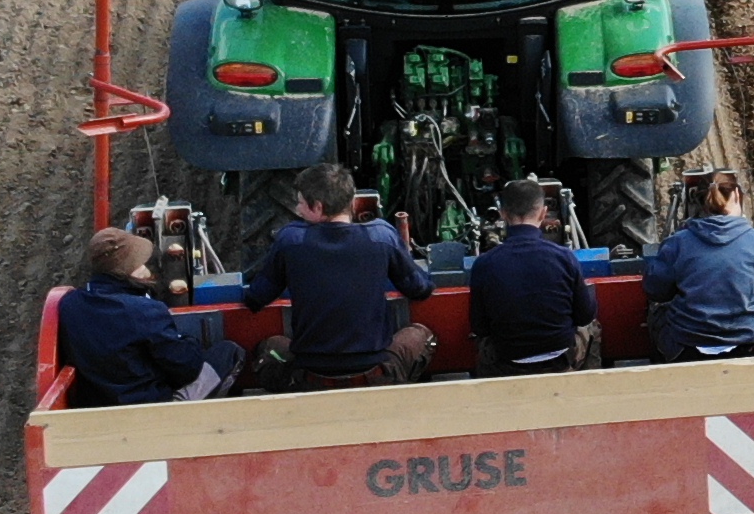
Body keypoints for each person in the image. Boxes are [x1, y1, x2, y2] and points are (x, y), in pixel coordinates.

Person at [236, 163, 437, 389]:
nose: (298, 208)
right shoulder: (382, 235)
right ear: (351, 202)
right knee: (420, 335)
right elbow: (420, 290)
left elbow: (256, 298)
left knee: (270, 347)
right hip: (375, 371)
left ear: (318, 207)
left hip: (311, 374)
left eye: (301, 202)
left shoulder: (291, 240)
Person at [55, 226, 241, 407]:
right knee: (229, 352)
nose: (145, 267)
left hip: (98, 407)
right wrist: (188, 342)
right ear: (127, 271)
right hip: (151, 410)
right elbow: (188, 369)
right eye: (139, 263)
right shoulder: (145, 311)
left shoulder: (69, 304)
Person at [644, 169, 754, 360]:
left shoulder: (677, 243)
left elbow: (656, 291)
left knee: (656, 311)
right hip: (751, 345)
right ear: (736, 194)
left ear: (697, 201)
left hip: (687, 349)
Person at [469, 177, 602, 376]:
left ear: (503, 214)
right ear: (543, 213)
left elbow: (479, 327)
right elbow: (585, 315)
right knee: (593, 327)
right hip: (560, 360)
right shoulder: (565, 257)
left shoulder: (483, 264)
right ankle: (587, 389)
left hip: (506, 363)